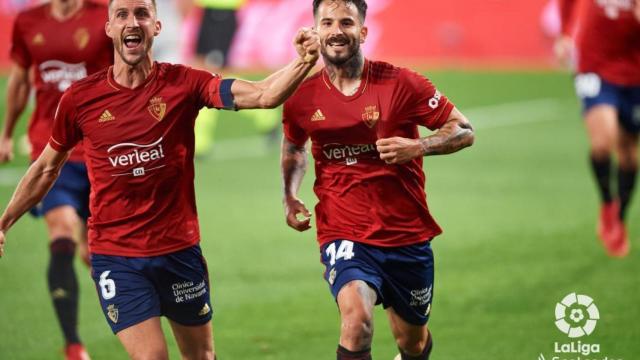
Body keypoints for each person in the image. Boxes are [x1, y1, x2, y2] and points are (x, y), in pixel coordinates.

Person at [0, 0, 320, 358]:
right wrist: (4, 222)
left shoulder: (185, 83)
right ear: (108, 29)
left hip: (179, 251)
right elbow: (46, 168)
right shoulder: (80, 100)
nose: (131, 22)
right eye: (121, 14)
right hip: (116, 257)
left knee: (201, 356)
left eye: (141, 14)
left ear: (156, 27)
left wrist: (304, 60)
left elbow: (264, 95)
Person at [280, 1, 474, 359]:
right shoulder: (301, 97)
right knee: (357, 322)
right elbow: (294, 147)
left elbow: (463, 130)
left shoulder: (401, 83)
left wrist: (418, 146)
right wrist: (289, 195)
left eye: (346, 22)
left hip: (405, 234)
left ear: (363, 32)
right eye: (327, 22)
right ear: (316, 31)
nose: (336, 30)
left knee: (411, 342)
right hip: (344, 230)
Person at [0, 0, 113, 358]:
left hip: (102, 149)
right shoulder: (28, 21)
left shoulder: (106, 16)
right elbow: (19, 79)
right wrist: (6, 133)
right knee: (61, 231)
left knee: (97, 252)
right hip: (50, 151)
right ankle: (73, 345)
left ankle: (136, 322)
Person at [555, 0, 640, 257]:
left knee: (628, 153)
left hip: (635, 73)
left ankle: (619, 217)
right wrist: (566, 33)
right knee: (603, 143)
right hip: (595, 67)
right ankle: (607, 203)